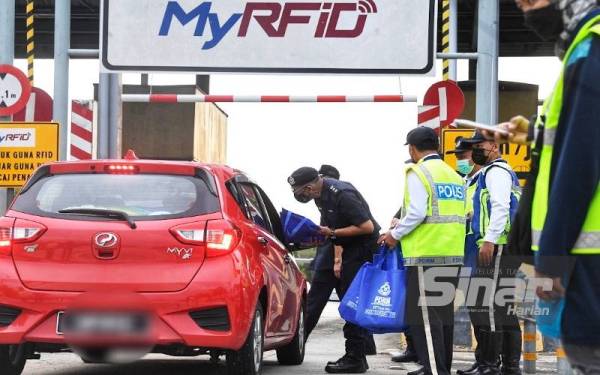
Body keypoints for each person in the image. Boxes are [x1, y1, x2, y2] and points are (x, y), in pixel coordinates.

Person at [486, 1, 600, 372]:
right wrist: (533, 133)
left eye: (532, 1)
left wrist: (551, 260)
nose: (526, 10)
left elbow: (579, 163)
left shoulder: (591, 48)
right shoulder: (582, 49)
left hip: (588, 259)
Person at [379, 127, 466, 375]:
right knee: (443, 317)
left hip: (425, 253)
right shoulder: (453, 175)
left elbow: (416, 212)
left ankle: (434, 371)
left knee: (425, 320)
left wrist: (394, 235)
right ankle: (440, 368)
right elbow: (466, 213)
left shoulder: (417, 171)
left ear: (412, 149)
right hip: (452, 254)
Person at [288, 166, 381, 373]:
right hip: (350, 249)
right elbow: (334, 232)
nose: (301, 196)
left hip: (363, 250)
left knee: (352, 301)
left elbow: (368, 227)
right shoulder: (320, 197)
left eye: (301, 192)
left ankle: (355, 358)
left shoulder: (342, 194)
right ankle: (357, 356)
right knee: (350, 301)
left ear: (310, 187)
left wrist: (332, 233)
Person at [462, 132, 522, 375]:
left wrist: (489, 240)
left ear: (494, 147)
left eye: (480, 146)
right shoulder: (496, 172)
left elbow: (500, 207)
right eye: (474, 146)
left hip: (499, 245)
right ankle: (506, 366)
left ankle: (491, 365)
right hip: (505, 246)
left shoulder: (496, 172)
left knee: (489, 306)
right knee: (501, 305)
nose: (476, 150)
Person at [446, 137, 489, 375]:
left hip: (480, 247)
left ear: (475, 155)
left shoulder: (486, 178)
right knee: (475, 309)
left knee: (483, 309)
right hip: (466, 248)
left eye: (463, 156)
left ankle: (489, 362)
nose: (460, 161)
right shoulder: (465, 180)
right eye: (457, 157)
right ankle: (482, 359)